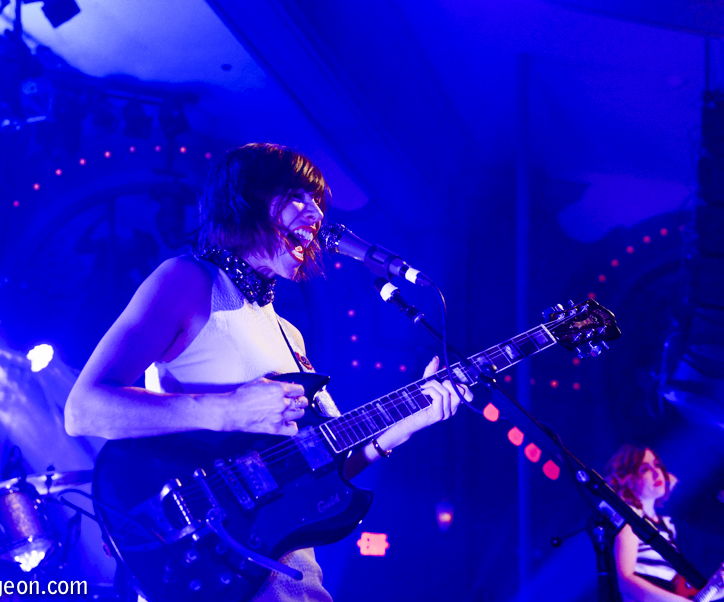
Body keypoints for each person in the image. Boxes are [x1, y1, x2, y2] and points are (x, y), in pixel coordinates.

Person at [65, 143, 469, 601]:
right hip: (213, 557)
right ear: (245, 200)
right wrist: (226, 410)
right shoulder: (188, 281)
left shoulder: (290, 337)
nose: (315, 211)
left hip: (292, 576)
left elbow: (328, 464)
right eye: (297, 196)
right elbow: (84, 410)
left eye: (318, 201)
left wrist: (409, 422)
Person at [604, 444, 724, 602]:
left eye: (657, 465)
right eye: (645, 469)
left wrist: (718, 592)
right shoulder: (630, 520)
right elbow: (626, 582)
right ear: (629, 479)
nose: (656, 473)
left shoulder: (667, 526)